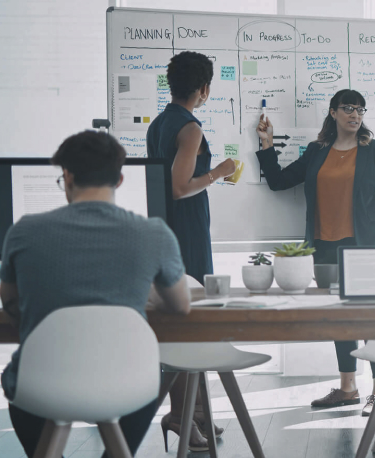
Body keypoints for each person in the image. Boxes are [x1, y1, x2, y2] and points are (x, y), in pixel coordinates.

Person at [0, 131, 191, 458]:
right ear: (119, 178)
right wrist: (139, 297)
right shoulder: (154, 233)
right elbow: (181, 306)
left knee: (21, 381)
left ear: (68, 176)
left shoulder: (24, 231)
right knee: (147, 379)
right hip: (129, 384)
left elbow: (10, 302)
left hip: (41, 384)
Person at [255, 89, 375, 416]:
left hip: (366, 246)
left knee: (372, 320)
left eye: (360, 109)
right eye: (348, 108)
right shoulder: (317, 151)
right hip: (325, 246)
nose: (355, 115)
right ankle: (348, 388)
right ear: (334, 112)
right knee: (339, 319)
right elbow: (278, 182)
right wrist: (267, 145)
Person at [146, 51, 235, 450]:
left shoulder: (161, 123)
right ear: (204, 89)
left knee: (186, 323)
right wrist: (219, 172)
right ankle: (182, 416)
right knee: (188, 323)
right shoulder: (191, 128)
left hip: (167, 229)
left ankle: (195, 413)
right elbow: (180, 187)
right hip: (186, 231)